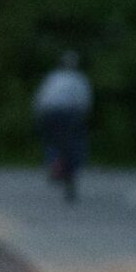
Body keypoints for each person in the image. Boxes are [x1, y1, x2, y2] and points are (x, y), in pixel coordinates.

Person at [33, 51, 92, 200]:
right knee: (75, 143)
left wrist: (39, 117)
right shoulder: (79, 79)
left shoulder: (53, 77)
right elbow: (84, 103)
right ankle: (70, 169)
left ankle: (54, 164)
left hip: (49, 113)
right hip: (70, 114)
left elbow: (40, 98)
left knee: (52, 141)